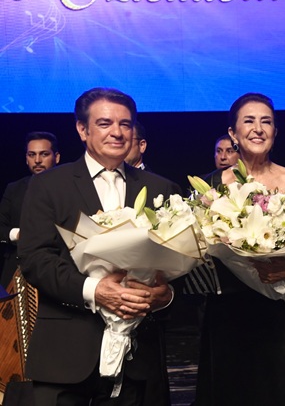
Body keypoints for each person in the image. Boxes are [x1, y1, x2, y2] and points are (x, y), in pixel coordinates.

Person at [18, 87, 181, 406]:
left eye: (125, 124)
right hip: (65, 355)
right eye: (105, 123)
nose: (117, 132)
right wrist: (95, 290)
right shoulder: (48, 185)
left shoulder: (161, 188)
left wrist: (166, 295)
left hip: (138, 359)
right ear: (82, 129)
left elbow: (179, 265)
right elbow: (35, 260)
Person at [193, 92, 285, 406]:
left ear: (275, 131)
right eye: (249, 121)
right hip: (229, 320)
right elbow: (193, 257)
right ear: (233, 133)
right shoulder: (211, 188)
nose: (258, 129)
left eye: (266, 122)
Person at [0, 131, 60, 288]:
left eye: (44, 154)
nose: (37, 160)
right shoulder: (14, 189)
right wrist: (18, 234)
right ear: (26, 158)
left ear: (57, 157)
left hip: (58, 271)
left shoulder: (70, 189)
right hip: (16, 272)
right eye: (32, 155)